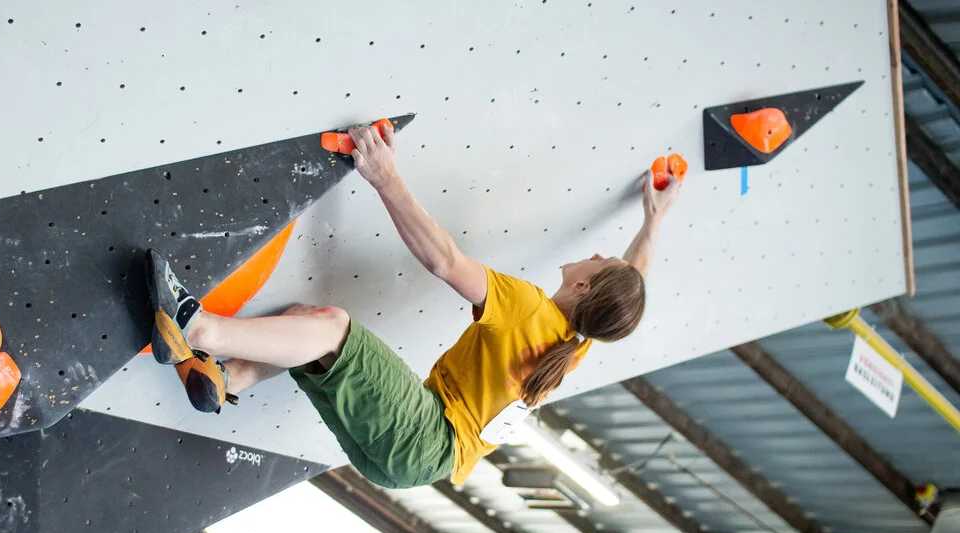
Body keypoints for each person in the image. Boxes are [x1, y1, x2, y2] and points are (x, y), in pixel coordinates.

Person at [144, 121, 681, 489]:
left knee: (333, 328)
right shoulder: (576, 342)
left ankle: (200, 329)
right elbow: (633, 278)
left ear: (586, 289)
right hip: (406, 468)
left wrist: (384, 174)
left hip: (427, 437)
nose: (594, 253)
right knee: (303, 328)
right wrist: (654, 220)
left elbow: (445, 261)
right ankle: (227, 380)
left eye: (600, 261)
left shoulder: (529, 309)